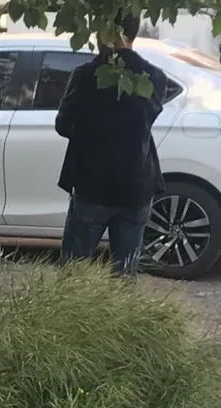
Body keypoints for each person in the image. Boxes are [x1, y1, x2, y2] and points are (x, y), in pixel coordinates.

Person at [55, 11, 167, 276]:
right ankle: (122, 317)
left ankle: (69, 317)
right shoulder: (155, 77)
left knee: (73, 272)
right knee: (125, 274)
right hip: (137, 185)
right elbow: (145, 119)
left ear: (106, 30)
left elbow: (62, 125)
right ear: (134, 32)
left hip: (92, 185)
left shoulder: (85, 75)